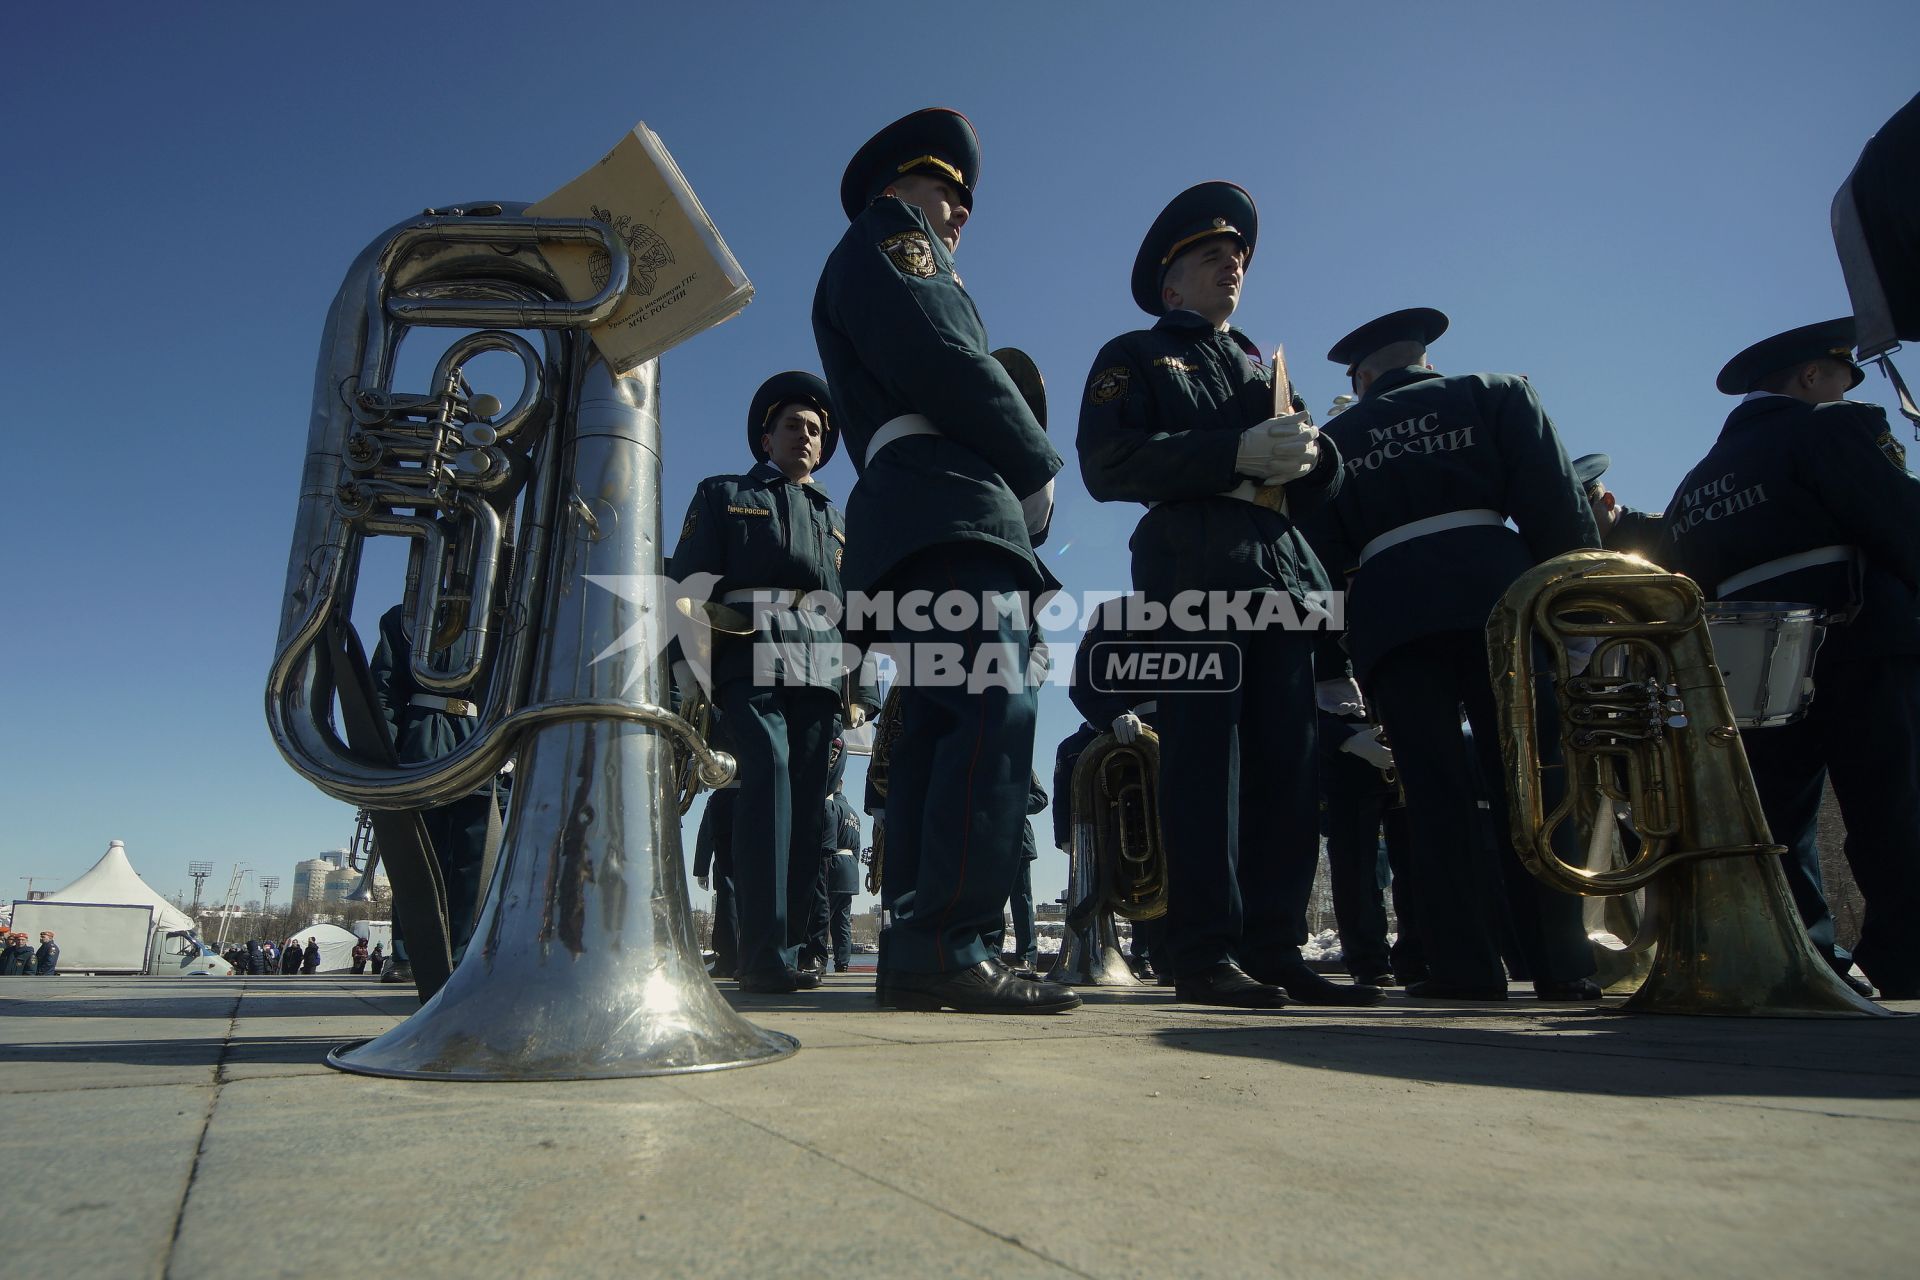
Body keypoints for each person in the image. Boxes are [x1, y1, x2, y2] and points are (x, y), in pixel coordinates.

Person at [1077, 182, 1375, 1009]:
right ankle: (1202, 949)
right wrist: (1233, 450)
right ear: (1170, 285)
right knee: (1205, 761)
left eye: (1236, 256)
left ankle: (1275, 946)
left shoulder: (1260, 363)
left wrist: (1317, 459)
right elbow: (1109, 464)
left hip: (1280, 567)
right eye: (1211, 256)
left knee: (1290, 762)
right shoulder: (1135, 354)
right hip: (1193, 565)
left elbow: (1324, 482)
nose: (1230, 264)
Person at [812, 107, 1076, 1014]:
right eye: (942, 191)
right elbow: (951, 359)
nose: (956, 213)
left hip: (919, 507)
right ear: (894, 189)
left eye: (964, 201)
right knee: (989, 711)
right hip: (952, 498)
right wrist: (1033, 462)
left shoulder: (880, 253)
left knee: (935, 728)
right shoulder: (891, 238)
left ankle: (924, 943)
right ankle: (950, 942)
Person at [1307, 306, 1600, 1002]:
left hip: (1393, 615)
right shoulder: (1496, 393)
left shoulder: (1333, 438)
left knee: (1432, 797)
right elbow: (1558, 507)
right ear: (1425, 359)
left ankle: (1463, 966)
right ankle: (1561, 963)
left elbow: (1319, 559)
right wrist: (1582, 620)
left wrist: (1331, 662)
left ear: (1365, 376)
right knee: (1532, 780)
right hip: (1501, 599)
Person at [1660, 318, 1920, 999]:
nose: (1840, 391)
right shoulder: (1831, 429)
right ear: (1810, 377)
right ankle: (1908, 958)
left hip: (1749, 668)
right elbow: (1898, 521)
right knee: (1892, 804)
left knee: (1778, 822)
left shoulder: (1693, 485)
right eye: (1837, 378)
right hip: (1859, 636)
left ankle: (1802, 958)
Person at [669, 370, 867, 995]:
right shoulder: (723, 493)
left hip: (819, 665)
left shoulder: (838, 520)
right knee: (769, 784)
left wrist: (859, 690)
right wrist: (688, 680)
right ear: (766, 435)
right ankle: (759, 954)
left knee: (809, 808)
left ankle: (792, 947)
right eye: (793, 426)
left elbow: (855, 609)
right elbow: (687, 592)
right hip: (747, 652)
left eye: (815, 431)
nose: (805, 437)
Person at [369, 602, 510, 973]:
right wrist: (385, 753)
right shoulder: (405, 617)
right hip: (423, 743)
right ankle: (409, 955)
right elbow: (383, 691)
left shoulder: (505, 620)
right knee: (419, 860)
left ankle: (461, 957)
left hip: (480, 742)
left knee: (472, 863)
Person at [1571, 452, 1667, 563]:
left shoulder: (1660, 531)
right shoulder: (1578, 558)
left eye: (1585, 511)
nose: (1578, 524)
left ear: (1608, 502)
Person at [694, 783, 741, 980]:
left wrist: (701, 869)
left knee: (727, 902)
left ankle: (728, 961)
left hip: (726, 843)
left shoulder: (718, 799)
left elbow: (707, 833)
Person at [823, 746, 863, 972]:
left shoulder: (832, 807)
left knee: (823, 915)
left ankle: (815, 956)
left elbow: (826, 838)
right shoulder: (854, 813)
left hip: (834, 867)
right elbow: (857, 847)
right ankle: (843, 962)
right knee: (842, 922)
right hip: (850, 871)